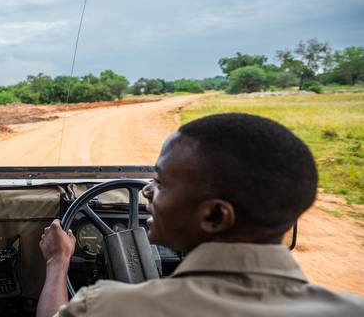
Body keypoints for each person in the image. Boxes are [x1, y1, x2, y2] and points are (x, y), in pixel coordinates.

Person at [37, 113, 364, 317]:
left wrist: (57, 263)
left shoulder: (107, 307)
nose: (146, 192)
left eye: (161, 183)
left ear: (215, 217)